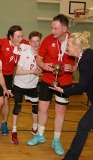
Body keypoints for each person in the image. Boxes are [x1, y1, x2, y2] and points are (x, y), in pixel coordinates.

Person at [50, 31, 93, 160]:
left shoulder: (86, 59)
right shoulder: (86, 57)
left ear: (77, 47)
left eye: (68, 45)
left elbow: (82, 87)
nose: (66, 47)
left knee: (83, 126)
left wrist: (63, 90)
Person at [27, 14, 77, 156]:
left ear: (64, 28)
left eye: (55, 28)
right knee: (42, 107)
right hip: (48, 79)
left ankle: (56, 140)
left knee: (60, 110)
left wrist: (73, 68)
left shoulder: (73, 40)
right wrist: (43, 65)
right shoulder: (48, 40)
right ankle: (40, 135)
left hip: (65, 82)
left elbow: (80, 60)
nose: (52, 31)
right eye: (52, 28)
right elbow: (39, 57)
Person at [11, 31, 43, 144]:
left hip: (32, 85)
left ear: (40, 42)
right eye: (33, 41)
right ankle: (14, 131)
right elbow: (18, 72)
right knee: (17, 108)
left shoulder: (42, 55)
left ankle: (35, 128)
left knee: (35, 108)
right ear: (29, 42)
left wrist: (41, 71)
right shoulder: (25, 53)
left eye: (37, 41)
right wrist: (33, 71)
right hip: (19, 84)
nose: (35, 44)